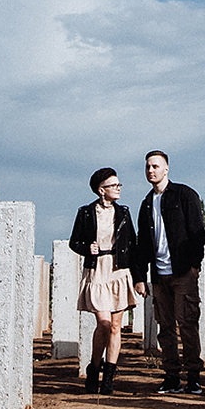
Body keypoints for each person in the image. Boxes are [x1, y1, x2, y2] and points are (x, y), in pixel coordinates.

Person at [136, 150, 205, 395]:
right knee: (164, 327)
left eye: (156, 166)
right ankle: (171, 377)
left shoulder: (185, 195)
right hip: (159, 276)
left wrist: (194, 265)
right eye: (148, 166)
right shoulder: (146, 204)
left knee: (187, 324)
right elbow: (143, 244)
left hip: (182, 273)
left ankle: (194, 377)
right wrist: (139, 277)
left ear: (166, 169)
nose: (151, 170)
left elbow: (198, 232)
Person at [67, 167, 137, 394]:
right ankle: (94, 366)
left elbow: (132, 245)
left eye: (119, 185)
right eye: (113, 185)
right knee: (104, 324)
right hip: (98, 271)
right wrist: (87, 248)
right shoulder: (86, 213)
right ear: (101, 190)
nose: (118, 189)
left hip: (119, 270)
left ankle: (109, 377)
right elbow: (74, 242)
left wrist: (138, 278)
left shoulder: (124, 213)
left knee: (116, 326)